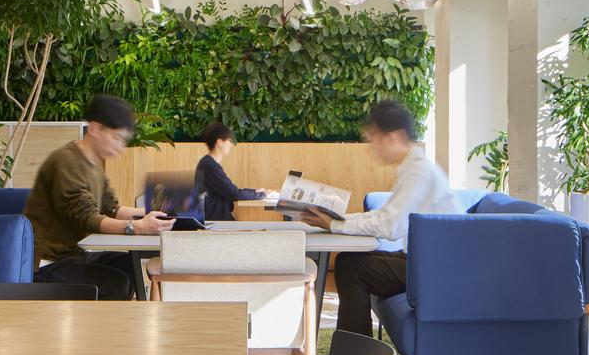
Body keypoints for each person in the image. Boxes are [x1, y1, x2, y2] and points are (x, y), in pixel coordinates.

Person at [299, 99, 461, 336]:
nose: (371, 147)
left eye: (374, 139)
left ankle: (355, 351)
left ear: (393, 137)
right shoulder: (412, 167)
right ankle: (354, 347)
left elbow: (390, 226)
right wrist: (339, 219)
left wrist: (335, 224)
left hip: (435, 268)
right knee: (348, 261)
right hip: (426, 260)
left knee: (351, 267)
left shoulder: (418, 172)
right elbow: (386, 215)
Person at [24, 94, 171, 299]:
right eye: (116, 138)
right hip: (46, 264)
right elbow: (88, 218)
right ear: (94, 129)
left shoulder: (94, 165)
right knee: (115, 282)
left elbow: (112, 209)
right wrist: (136, 227)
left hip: (74, 255)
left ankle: (117, 317)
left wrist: (156, 214)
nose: (120, 147)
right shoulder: (66, 161)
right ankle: (102, 320)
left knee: (130, 265)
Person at [192, 121, 274, 222]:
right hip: (215, 221)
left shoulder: (208, 163)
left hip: (217, 217)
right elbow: (233, 193)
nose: (231, 144)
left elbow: (230, 191)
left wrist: (255, 192)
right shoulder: (210, 166)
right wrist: (262, 195)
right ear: (219, 142)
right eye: (229, 140)